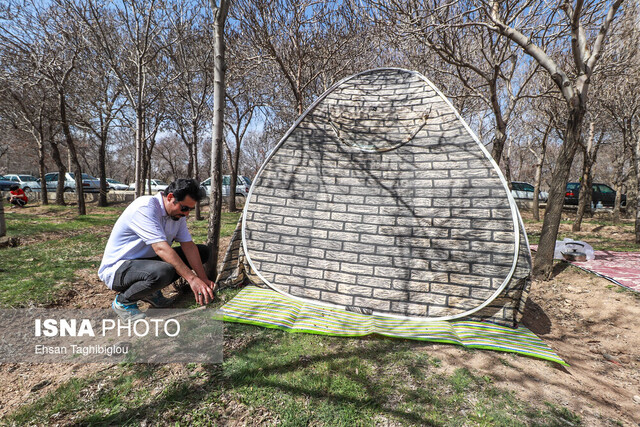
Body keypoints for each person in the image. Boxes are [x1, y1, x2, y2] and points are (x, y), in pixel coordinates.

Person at [98, 178, 215, 320]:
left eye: (190, 209)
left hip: (146, 263)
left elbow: (188, 246)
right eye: (184, 208)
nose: (186, 214)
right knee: (164, 271)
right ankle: (123, 302)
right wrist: (192, 279)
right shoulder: (145, 207)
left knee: (202, 251)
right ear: (171, 197)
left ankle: (150, 292)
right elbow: (161, 248)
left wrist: (202, 278)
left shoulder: (177, 215)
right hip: (118, 268)